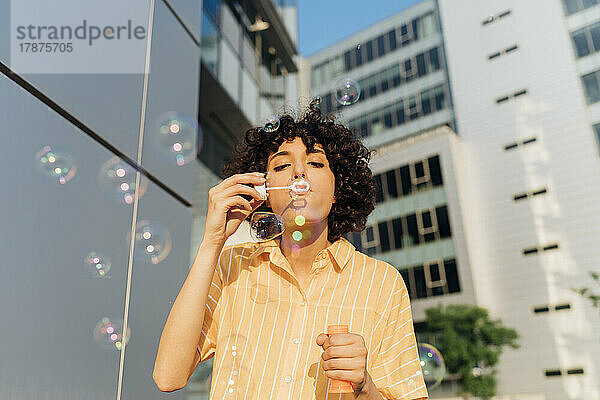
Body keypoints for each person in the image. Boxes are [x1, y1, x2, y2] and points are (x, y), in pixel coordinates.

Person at [153, 99, 429, 400]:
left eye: (315, 163)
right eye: (282, 165)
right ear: (265, 193)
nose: (299, 172)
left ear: (338, 191)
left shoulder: (382, 283)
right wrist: (212, 242)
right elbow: (168, 376)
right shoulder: (231, 265)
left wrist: (365, 389)